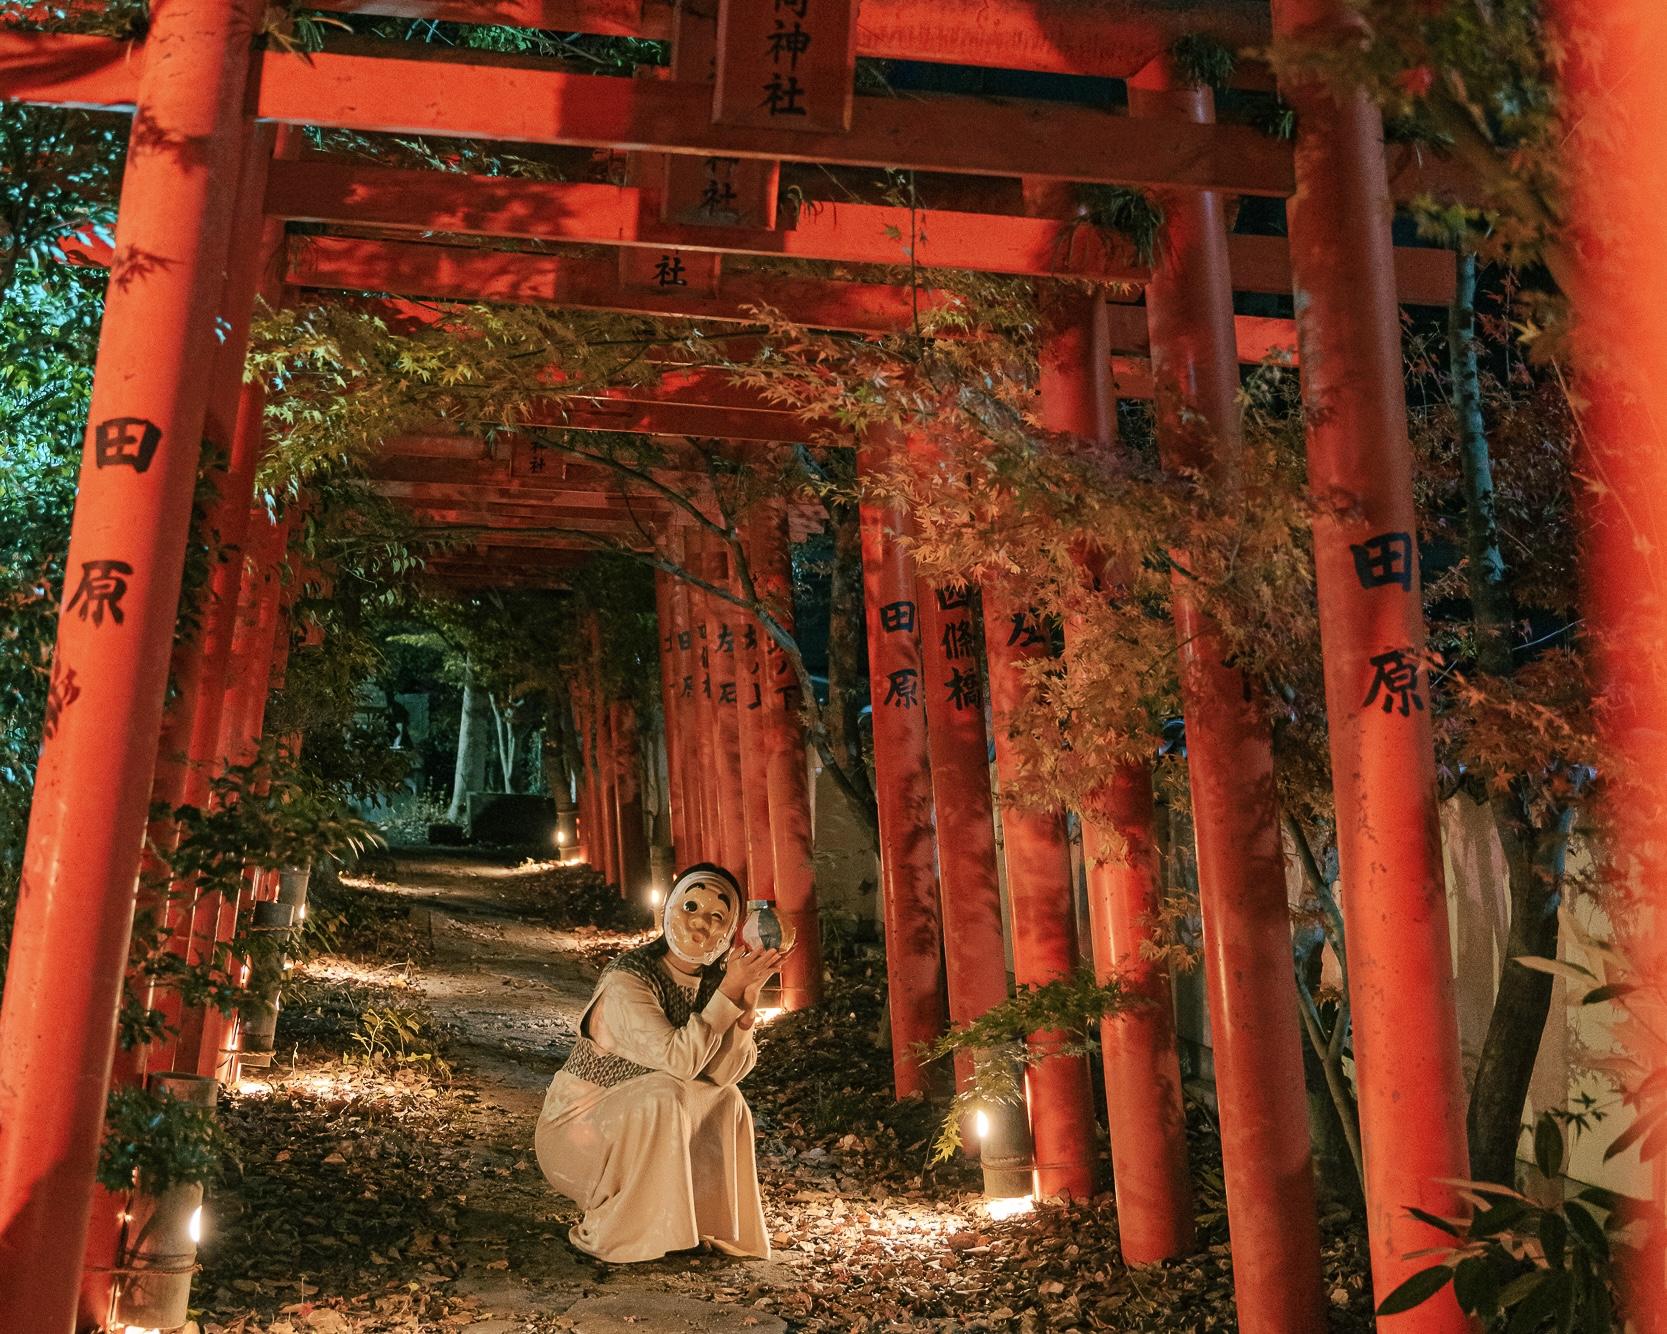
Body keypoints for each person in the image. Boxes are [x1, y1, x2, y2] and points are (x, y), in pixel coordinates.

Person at [534, 863, 784, 1263]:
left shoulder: (711, 983)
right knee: (665, 1092)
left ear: (729, 933)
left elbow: (723, 1074)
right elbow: (679, 1060)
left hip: (639, 1118)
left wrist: (745, 1006)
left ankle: (697, 1224)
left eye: (717, 916)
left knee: (727, 1099)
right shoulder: (627, 979)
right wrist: (728, 993)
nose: (701, 923)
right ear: (667, 909)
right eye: (690, 905)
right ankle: (617, 1231)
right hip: (579, 1131)